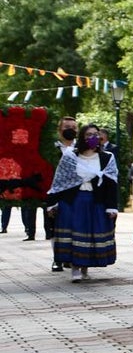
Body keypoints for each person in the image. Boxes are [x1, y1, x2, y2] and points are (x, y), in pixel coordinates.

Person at [45, 123, 118, 281]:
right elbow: (60, 182)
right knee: (75, 233)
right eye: (89, 135)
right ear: (82, 138)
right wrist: (52, 203)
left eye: (96, 134)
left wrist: (112, 207)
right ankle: (75, 268)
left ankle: (85, 266)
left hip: (96, 202)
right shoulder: (71, 157)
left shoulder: (107, 158)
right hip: (74, 202)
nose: (93, 138)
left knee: (90, 234)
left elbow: (112, 184)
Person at [23, 117, 78, 272]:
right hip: (53, 191)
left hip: (75, 193)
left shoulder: (80, 148)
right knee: (52, 226)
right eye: (67, 126)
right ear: (59, 129)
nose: (70, 129)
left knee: (74, 226)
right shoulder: (51, 149)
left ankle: (72, 257)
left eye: (73, 127)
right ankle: (57, 259)